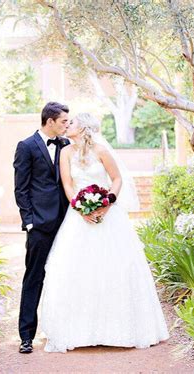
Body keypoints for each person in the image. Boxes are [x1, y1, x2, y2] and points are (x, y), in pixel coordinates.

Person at [40, 112, 170, 353]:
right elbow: (68, 184)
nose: (68, 126)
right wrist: (80, 209)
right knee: (76, 269)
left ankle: (116, 329)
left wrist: (107, 202)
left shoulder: (101, 150)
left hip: (109, 217)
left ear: (84, 127)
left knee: (115, 267)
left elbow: (117, 178)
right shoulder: (66, 153)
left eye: (72, 123)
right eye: (66, 123)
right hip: (78, 219)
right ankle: (79, 331)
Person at [13, 102, 70, 353]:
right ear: (50, 122)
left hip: (68, 222)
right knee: (34, 276)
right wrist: (29, 220)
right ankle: (26, 336)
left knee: (66, 276)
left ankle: (65, 330)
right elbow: (21, 188)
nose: (67, 126)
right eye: (63, 122)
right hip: (39, 224)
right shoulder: (26, 147)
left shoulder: (67, 145)